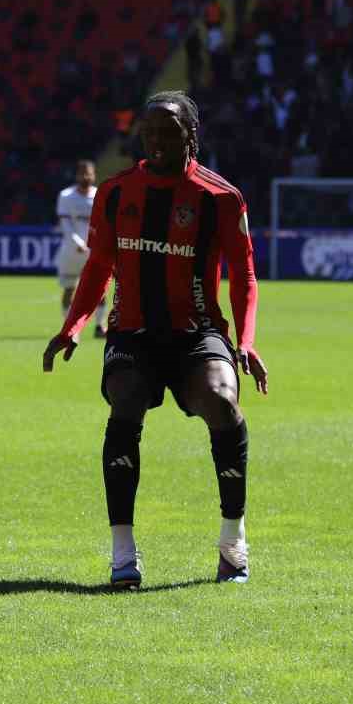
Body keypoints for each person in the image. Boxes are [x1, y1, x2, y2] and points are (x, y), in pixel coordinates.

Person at [41, 92, 268, 589]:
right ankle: (123, 554)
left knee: (222, 400)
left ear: (191, 135)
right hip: (132, 330)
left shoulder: (221, 198)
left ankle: (233, 543)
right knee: (126, 401)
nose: (156, 140)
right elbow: (99, 264)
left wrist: (245, 341)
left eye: (167, 130)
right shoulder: (117, 193)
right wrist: (73, 326)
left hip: (197, 331)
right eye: (148, 131)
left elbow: (244, 275)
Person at [55, 159, 105, 337]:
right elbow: (65, 225)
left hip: (95, 251)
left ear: (94, 175)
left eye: (89, 173)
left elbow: (103, 225)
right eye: (82, 173)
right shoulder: (66, 196)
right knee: (70, 289)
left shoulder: (100, 195)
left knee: (99, 289)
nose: (85, 176)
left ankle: (99, 326)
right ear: (76, 175)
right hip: (71, 251)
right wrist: (78, 243)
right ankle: (69, 330)